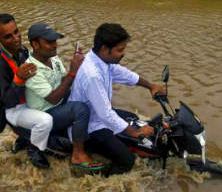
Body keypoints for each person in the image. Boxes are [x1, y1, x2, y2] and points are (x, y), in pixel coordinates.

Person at [68, 23, 166, 175]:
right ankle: (101, 182)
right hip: (90, 127)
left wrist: (151, 86)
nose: (123, 53)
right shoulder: (92, 74)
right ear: (105, 49)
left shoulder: (102, 60)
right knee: (127, 160)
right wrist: (136, 133)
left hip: (97, 115)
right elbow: (105, 114)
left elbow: (123, 74)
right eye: (120, 50)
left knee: (132, 117)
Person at [24, 22, 103, 171]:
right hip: (45, 113)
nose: (54, 45)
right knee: (80, 109)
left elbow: (63, 81)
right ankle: (78, 155)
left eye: (55, 41)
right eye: (49, 42)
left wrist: (78, 68)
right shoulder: (31, 69)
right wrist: (73, 72)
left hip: (58, 105)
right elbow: (53, 98)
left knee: (85, 96)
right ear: (35, 44)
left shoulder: (53, 59)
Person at [0, 13, 54, 168]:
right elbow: (7, 101)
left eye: (16, 32)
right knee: (45, 121)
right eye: (8, 37)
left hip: (29, 100)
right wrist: (19, 79)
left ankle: (24, 139)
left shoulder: (22, 50)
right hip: (14, 109)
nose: (16, 38)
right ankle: (35, 150)